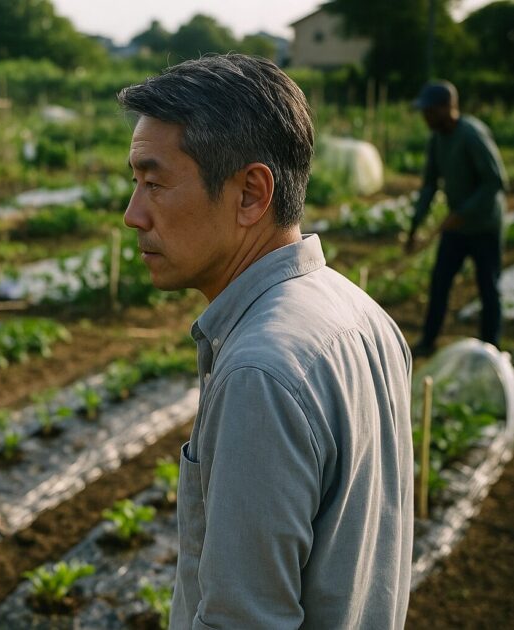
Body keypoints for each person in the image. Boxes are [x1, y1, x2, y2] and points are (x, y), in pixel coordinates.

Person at [119, 55, 413, 629]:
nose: (134, 214)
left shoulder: (261, 370)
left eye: (154, 183)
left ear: (252, 193)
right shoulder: (365, 314)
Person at [405, 80, 508, 357]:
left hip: (484, 225)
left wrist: (463, 213)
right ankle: (428, 341)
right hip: (457, 228)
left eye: (429, 110)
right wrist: (415, 226)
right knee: (440, 283)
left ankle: (492, 350)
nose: (425, 116)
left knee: (488, 288)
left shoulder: (472, 135)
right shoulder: (437, 139)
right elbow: (429, 186)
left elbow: (496, 182)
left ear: (446, 108)